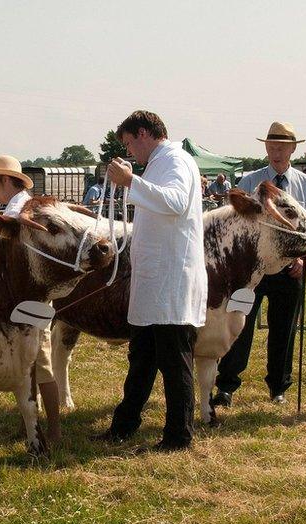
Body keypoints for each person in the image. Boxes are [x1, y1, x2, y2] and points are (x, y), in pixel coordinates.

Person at [97, 110, 207, 451]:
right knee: (142, 358)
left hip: (170, 283)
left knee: (174, 362)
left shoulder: (176, 160)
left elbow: (174, 203)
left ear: (144, 133)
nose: (130, 152)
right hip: (154, 282)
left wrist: (131, 181)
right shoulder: (158, 163)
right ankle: (123, 426)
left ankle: (178, 436)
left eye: (130, 143)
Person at [212, 122, 306, 407]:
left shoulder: (305, 184)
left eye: (282, 147)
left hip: (289, 268)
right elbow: (237, 225)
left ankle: (279, 386)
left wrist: (303, 261)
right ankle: (226, 385)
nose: (276, 151)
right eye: (271, 146)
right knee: (239, 325)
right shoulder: (250, 181)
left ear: (293, 150)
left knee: (284, 328)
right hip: (253, 271)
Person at [0, 155, 62, 445]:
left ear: (8, 181)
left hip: (30, 297)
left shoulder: (25, 211)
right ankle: (34, 425)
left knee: (40, 359)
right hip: (16, 298)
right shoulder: (15, 208)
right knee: (28, 361)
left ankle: (54, 430)